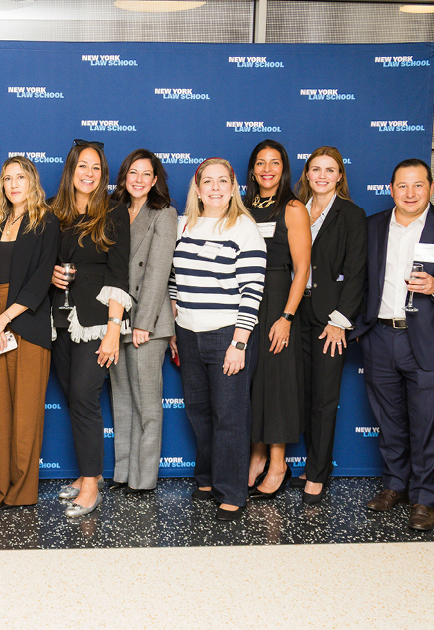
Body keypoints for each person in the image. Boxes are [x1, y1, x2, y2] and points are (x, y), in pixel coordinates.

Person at [351, 159, 434, 531]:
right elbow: (358, 278)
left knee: (426, 422)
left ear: (431, 188)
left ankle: (424, 498)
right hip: (380, 335)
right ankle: (395, 485)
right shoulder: (372, 226)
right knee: (389, 421)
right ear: (391, 189)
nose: (410, 193)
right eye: (403, 186)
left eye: (418, 185)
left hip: (427, 339)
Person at [169, 158, 266, 522]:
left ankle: (232, 491)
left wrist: (239, 343)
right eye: (207, 181)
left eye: (222, 181)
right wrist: (176, 323)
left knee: (229, 416)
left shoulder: (243, 228)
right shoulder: (183, 225)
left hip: (227, 333)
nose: (214, 187)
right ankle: (208, 478)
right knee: (199, 411)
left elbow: (252, 290)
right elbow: (174, 279)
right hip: (188, 333)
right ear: (196, 187)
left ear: (233, 187)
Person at [0, 156, 59, 507]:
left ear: (32, 181)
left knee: (26, 415)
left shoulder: (46, 222)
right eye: (7, 178)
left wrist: (4, 318)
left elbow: (40, 281)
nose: (13, 184)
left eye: (20, 177)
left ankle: (22, 493)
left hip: (27, 322)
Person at [49, 139, 129, 518]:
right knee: (72, 395)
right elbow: (42, 261)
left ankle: (92, 482)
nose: (89, 173)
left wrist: (114, 330)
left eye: (96, 167)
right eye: (83, 166)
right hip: (59, 319)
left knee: (84, 395)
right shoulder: (53, 211)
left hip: (97, 322)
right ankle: (83, 476)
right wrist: (50, 272)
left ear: (104, 174)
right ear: (71, 170)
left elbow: (119, 273)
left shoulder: (114, 213)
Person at [293, 146, 366, 505]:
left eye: (330, 170)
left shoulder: (351, 214)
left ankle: (318, 474)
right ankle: (312, 462)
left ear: (339, 176)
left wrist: (340, 321)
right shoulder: (294, 210)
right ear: (307, 174)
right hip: (293, 313)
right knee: (302, 394)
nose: (322, 175)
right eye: (315, 169)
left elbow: (356, 273)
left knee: (324, 398)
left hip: (328, 319)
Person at [243, 140, 310, 500]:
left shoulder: (294, 208)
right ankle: (256, 456)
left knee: (277, 384)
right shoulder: (243, 208)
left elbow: (302, 270)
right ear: (252, 169)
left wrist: (286, 316)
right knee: (253, 381)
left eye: (274, 162)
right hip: (246, 304)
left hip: (279, 303)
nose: (267, 169)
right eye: (260, 163)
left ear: (284, 168)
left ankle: (279, 463)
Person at [108, 149, 176, 496]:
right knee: (122, 400)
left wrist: (143, 322)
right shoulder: (114, 211)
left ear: (154, 180)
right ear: (124, 177)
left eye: (145, 174)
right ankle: (123, 472)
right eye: (132, 172)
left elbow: (157, 272)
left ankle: (144, 478)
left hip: (147, 323)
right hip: (116, 318)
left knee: (147, 404)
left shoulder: (164, 214)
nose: (138, 179)